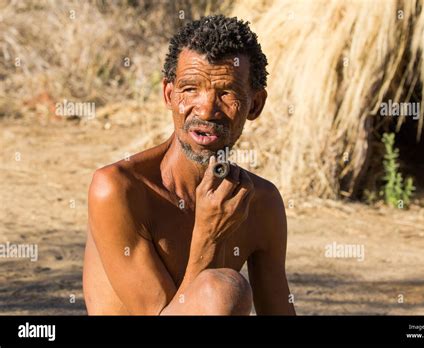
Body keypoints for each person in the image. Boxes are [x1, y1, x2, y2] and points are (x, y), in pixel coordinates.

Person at [82, 15, 295, 315]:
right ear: (169, 94)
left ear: (255, 105)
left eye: (226, 93)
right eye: (190, 89)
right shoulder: (119, 189)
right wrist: (208, 236)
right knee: (221, 291)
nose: (206, 109)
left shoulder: (260, 202)